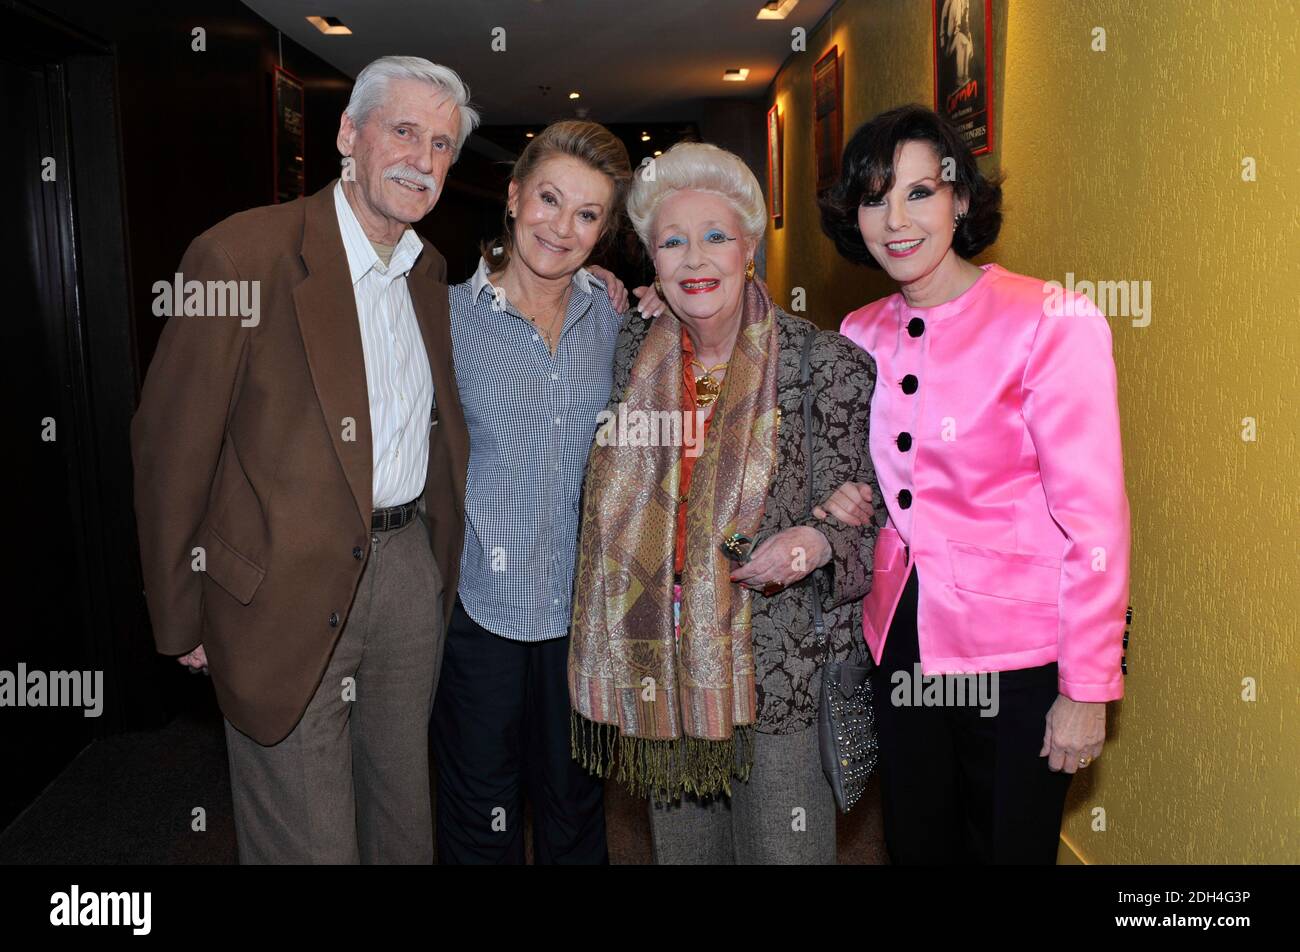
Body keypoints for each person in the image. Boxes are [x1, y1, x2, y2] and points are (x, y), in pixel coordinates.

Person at [131, 55, 477, 863]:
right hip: (277, 586)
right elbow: (169, 444)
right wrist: (184, 606)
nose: (422, 160)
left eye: (441, 145)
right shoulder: (239, 255)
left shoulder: (428, 270)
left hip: (403, 578)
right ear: (348, 135)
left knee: (401, 823)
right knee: (306, 841)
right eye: (403, 132)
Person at [818, 103, 1131, 864]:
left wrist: (1088, 686)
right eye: (873, 196)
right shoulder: (858, 332)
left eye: (919, 193)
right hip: (901, 641)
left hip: (1020, 657)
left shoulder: (1051, 319)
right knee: (918, 843)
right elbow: (865, 470)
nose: (895, 219)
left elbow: (1097, 520)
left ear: (961, 201)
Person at [569, 142, 881, 864]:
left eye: (715, 236)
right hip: (663, 668)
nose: (694, 259)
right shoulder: (633, 353)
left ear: (748, 246)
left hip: (776, 675)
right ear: (652, 261)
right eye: (671, 242)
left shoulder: (819, 361)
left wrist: (818, 537)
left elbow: (875, 514)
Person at [434, 120, 632, 864]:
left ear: (605, 230)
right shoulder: (447, 319)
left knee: (576, 814)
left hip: (582, 617)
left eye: (587, 215)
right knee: (476, 817)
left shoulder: (614, 317)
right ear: (514, 197)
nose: (563, 227)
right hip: (479, 612)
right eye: (549, 199)